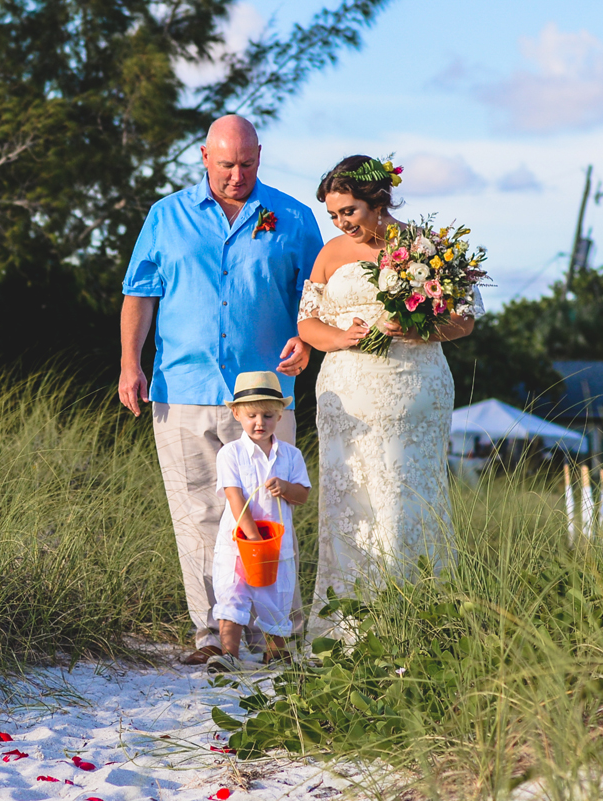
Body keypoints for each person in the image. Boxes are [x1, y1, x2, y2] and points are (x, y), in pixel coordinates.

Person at [118, 115, 324, 664]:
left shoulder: (295, 218)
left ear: (261, 156)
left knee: (268, 514)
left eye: (248, 164)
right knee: (199, 515)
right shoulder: (166, 217)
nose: (237, 175)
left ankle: (272, 630)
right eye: (227, 164)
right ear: (204, 157)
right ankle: (212, 634)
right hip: (182, 387)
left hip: (264, 397)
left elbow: (317, 299)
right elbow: (140, 294)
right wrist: (128, 364)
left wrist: (307, 342)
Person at [296, 155, 483, 639]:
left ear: (379, 202)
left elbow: (465, 319)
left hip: (412, 391)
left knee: (403, 503)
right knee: (349, 503)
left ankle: (411, 625)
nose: (341, 223)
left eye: (350, 211)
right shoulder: (330, 253)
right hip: (344, 396)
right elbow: (307, 323)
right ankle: (346, 632)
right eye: (333, 214)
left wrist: (421, 327)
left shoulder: (427, 248)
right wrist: (342, 337)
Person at [208, 372, 311, 674]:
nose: (259, 422)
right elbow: (234, 496)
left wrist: (285, 488)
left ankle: (275, 654)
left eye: (268, 415)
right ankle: (230, 653)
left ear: (280, 415)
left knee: (276, 596)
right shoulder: (231, 453)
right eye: (251, 415)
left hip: (277, 545)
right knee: (232, 593)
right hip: (239, 542)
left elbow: (302, 495)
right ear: (236, 413)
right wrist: (253, 539)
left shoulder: (290, 456)